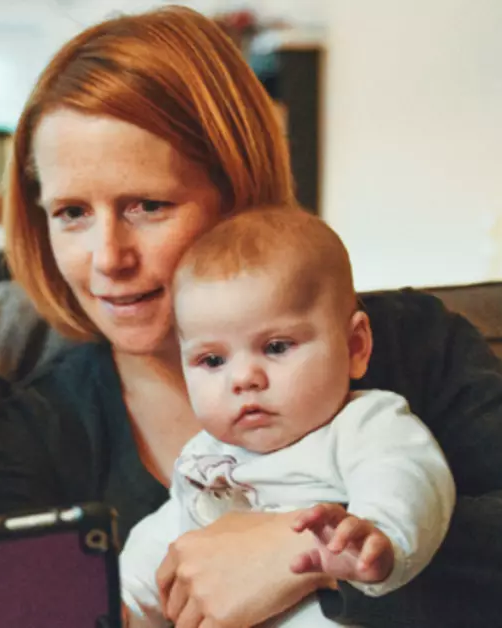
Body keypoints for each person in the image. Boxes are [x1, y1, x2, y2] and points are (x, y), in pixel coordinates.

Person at [0, 6, 502, 627]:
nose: (108, 257)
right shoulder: (35, 436)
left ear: (237, 190)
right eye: (71, 213)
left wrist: (308, 554)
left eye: (147, 206)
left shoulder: (408, 344)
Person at [120, 207, 456, 627]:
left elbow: (407, 479)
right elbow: (163, 544)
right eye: (212, 360)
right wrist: (124, 602)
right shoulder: (204, 458)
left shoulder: (363, 424)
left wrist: (378, 537)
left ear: (355, 347)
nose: (243, 378)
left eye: (276, 347)